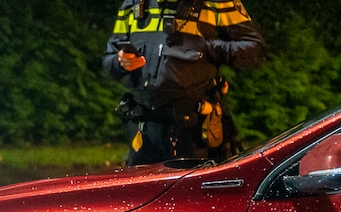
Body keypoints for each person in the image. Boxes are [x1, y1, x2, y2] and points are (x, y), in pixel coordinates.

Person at [102, 0, 265, 166]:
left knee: (191, 191)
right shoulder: (133, 3)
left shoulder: (217, 3)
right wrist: (119, 61)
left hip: (194, 132)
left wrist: (207, 48)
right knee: (141, 190)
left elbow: (255, 50)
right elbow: (109, 61)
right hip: (143, 132)